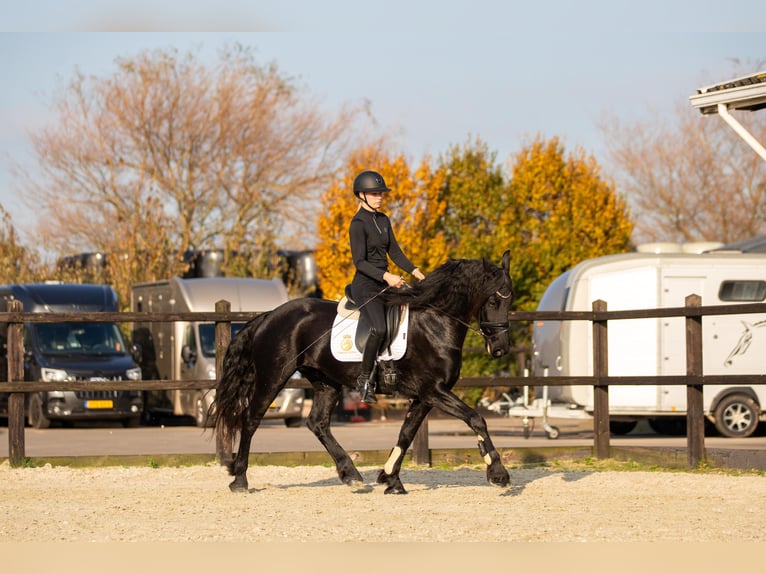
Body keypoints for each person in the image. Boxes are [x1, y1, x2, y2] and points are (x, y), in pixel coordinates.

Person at [349, 169, 425, 404]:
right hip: (365, 285)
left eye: (381, 193)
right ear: (361, 195)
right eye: (374, 193)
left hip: (385, 282)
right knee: (379, 329)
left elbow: (395, 251)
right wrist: (387, 276)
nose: (380, 197)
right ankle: (364, 379)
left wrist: (415, 271)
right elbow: (359, 262)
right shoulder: (357, 224)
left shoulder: (383, 219)